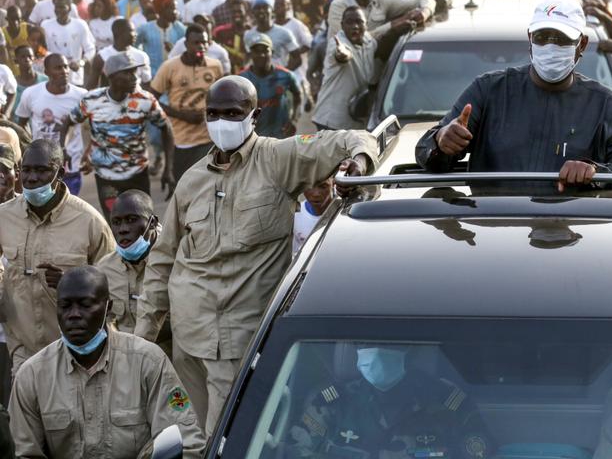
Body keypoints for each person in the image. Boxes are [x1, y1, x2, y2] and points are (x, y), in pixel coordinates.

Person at [135, 75, 378, 431]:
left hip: (238, 342)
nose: (221, 122)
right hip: (187, 340)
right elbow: (162, 260)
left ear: (255, 115)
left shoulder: (278, 159)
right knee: (187, 433)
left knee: (224, 435)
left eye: (232, 113)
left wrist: (358, 161)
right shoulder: (191, 180)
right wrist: (144, 336)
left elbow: (354, 138)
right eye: (213, 114)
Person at [417, 0, 612, 192]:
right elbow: (427, 153)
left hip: (571, 227)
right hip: (493, 226)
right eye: (542, 37)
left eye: (561, 39)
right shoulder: (488, 90)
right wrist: (441, 142)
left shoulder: (608, 107)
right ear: (530, 38)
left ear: (582, 44)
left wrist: (595, 174)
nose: (550, 46)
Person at [9, 266, 205, 458]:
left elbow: (185, 440)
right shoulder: (32, 375)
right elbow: (23, 451)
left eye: (85, 305)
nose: (74, 314)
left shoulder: (149, 362)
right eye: (65, 306)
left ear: (107, 308)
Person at [0, 139, 113, 374]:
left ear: (59, 173)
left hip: (75, 353)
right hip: (23, 351)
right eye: (27, 170)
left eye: (42, 171)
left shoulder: (89, 222)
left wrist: (74, 285)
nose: (32, 179)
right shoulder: (4, 217)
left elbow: (115, 284)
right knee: (25, 409)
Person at [287, 344, 491, 457]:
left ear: (412, 351)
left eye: (391, 343)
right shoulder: (331, 403)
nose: (377, 351)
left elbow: (479, 453)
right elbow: (299, 452)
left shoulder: (449, 403)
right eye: (368, 344)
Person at [69, 51, 174, 214]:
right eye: (128, 72)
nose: (134, 77)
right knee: (115, 223)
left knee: (142, 223)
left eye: (135, 72)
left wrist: (169, 168)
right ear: (111, 76)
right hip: (106, 178)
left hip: (137, 175)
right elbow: (68, 122)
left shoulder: (145, 100)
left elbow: (166, 128)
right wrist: (66, 149)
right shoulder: (91, 100)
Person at [148, 24, 225, 179]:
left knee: (209, 190)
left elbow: (222, 98)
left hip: (209, 140)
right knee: (184, 191)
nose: (201, 46)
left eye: (204, 42)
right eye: (196, 43)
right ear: (186, 44)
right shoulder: (170, 67)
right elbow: (151, 98)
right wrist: (182, 115)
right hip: (180, 141)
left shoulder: (215, 66)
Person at [311, 6, 400, 131]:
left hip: (354, 121)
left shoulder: (369, 42)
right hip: (330, 121)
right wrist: (342, 55)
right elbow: (342, 53)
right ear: (342, 25)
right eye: (349, 22)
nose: (355, 26)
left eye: (359, 22)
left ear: (366, 24)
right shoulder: (336, 44)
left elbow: (383, 35)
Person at [94, 190, 164, 339]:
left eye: (132, 220)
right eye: (116, 222)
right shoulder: (105, 269)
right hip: (127, 358)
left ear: (152, 223)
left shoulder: (174, 261)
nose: (123, 229)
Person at [15, 54, 87, 194]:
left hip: (70, 164)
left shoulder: (81, 95)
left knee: (67, 207)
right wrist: (30, 146)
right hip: (40, 165)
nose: (64, 71)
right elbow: (21, 124)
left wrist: (90, 152)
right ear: (46, 72)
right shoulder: (31, 94)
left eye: (66, 67)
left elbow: (93, 126)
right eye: (58, 68)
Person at [240, 35, 301, 138]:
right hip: (253, 138)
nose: (261, 55)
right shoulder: (241, 79)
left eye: (265, 50)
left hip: (280, 136)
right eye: (257, 51)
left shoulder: (286, 75)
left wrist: (294, 119)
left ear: (272, 52)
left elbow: (297, 96)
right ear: (250, 54)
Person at [40, 0, 95, 86]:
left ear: (69, 8)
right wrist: (50, 58)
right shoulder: (46, 25)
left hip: (75, 76)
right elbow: (40, 48)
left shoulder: (80, 25)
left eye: (62, 7)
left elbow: (91, 49)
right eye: (56, 7)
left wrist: (80, 63)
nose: (58, 10)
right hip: (53, 76)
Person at [244, 0, 301, 70]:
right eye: (257, 8)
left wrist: (284, 75)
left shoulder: (284, 33)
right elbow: (248, 58)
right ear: (253, 12)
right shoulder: (248, 35)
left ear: (272, 10)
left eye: (265, 7)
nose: (261, 11)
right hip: (257, 79)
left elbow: (297, 59)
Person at [293, 177, 333, 256]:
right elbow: (295, 254)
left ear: (333, 183)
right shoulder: (295, 215)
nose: (316, 194)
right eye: (309, 187)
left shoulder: (344, 213)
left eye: (323, 186)